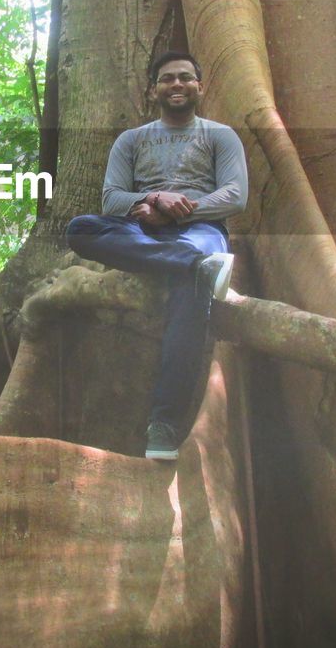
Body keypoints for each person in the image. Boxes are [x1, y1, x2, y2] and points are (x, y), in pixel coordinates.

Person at [65, 51, 247, 461]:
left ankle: (163, 422)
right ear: (154, 89)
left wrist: (176, 210)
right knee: (80, 228)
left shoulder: (220, 136)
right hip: (142, 228)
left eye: (186, 78)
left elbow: (235, 196)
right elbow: (111, 199)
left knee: (190, 291)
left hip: (201, 230)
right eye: (167, 79)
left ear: (200, 86)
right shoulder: (132, 140)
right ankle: (197, 266)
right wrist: (150, 197)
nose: (177, 84)